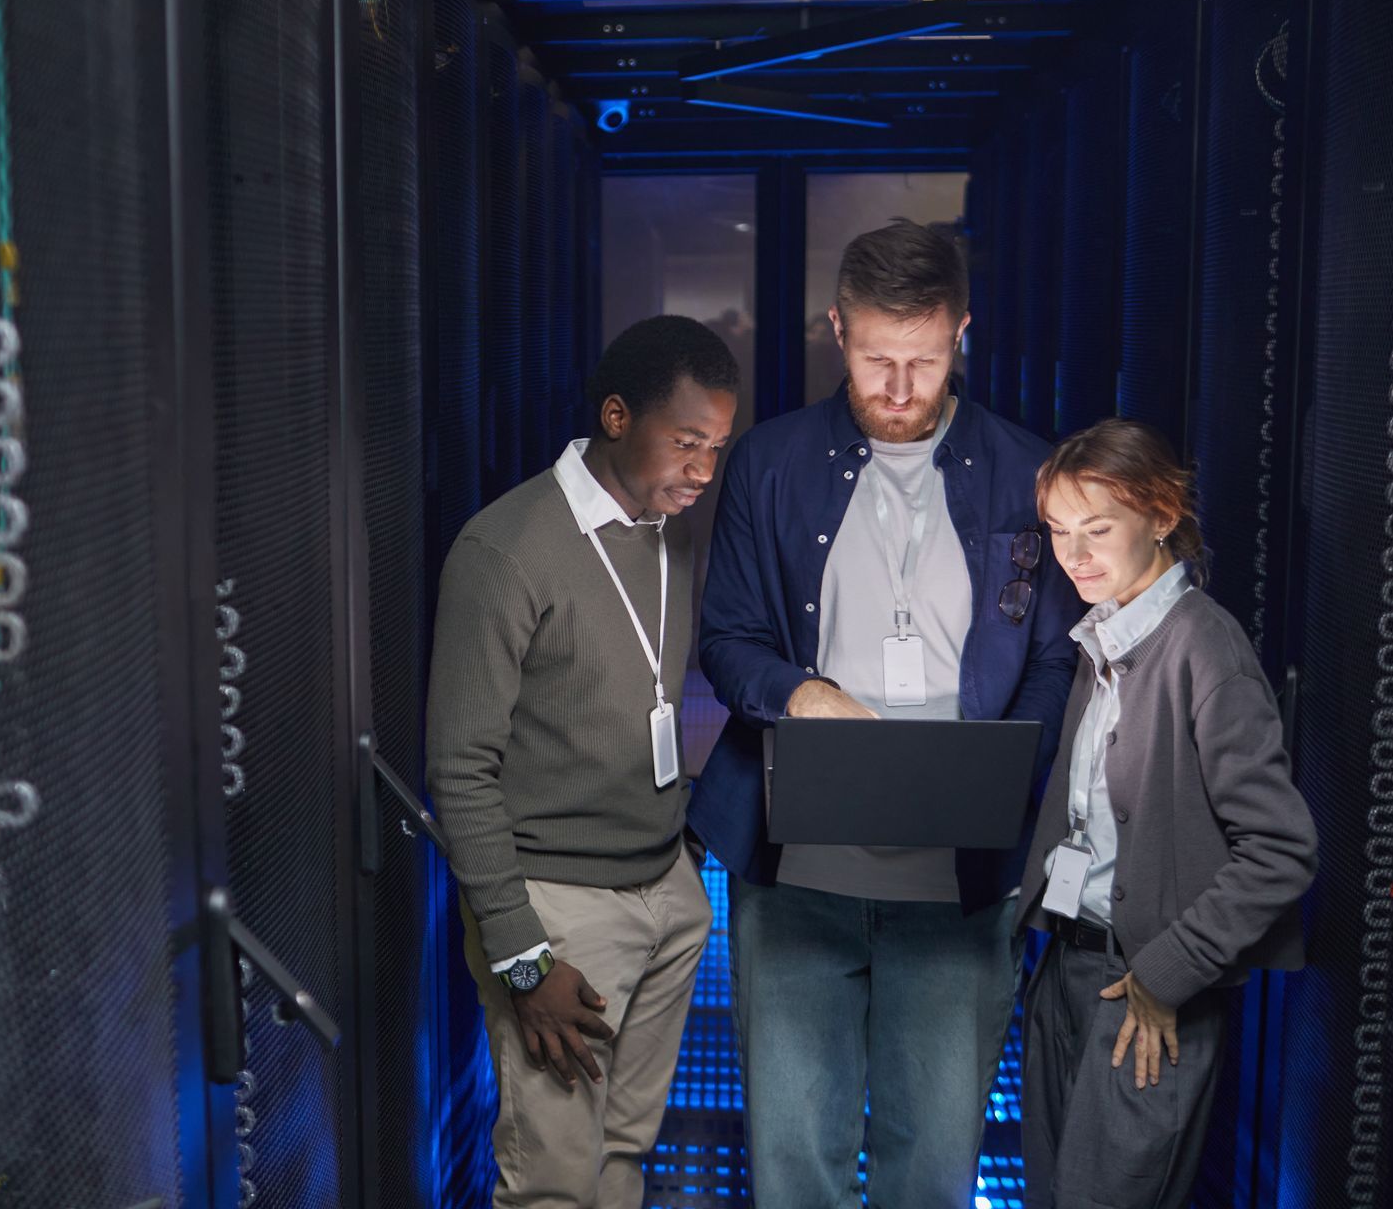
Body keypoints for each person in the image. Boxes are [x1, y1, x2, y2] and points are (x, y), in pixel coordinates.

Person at [688, 218, 1081, 1207]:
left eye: (926, 358)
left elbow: (1049, 659)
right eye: (876, 361)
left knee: (932, 1167)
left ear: (963, 333)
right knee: (796, 1162)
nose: (901, 388)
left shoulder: (1029, 473)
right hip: (795, 872)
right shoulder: (769, 463)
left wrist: (1003, 772)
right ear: (835, 330)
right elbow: (726, 639)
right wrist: (804, 694)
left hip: (961, 883)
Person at [426, 315, 740, 1208]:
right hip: (559, 912)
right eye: (686, 443)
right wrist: (524, 960)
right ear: (614, 416)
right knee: (553, 1184)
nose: (704, 472)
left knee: (622, 1159)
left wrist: (680, 870)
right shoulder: (506, 552)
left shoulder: (669, 532)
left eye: (717, 447)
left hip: (665, 893)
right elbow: (460, 770)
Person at [1019, 418, 1317, 1209]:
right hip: (1067, 970)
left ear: (1160, 515)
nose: (1074, 554)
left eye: (1098, 528)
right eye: (1058, 531)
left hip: (1146, 989)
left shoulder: (1202, 651)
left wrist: (1166, 973)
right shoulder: (1106, 636)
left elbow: (1282, 850)